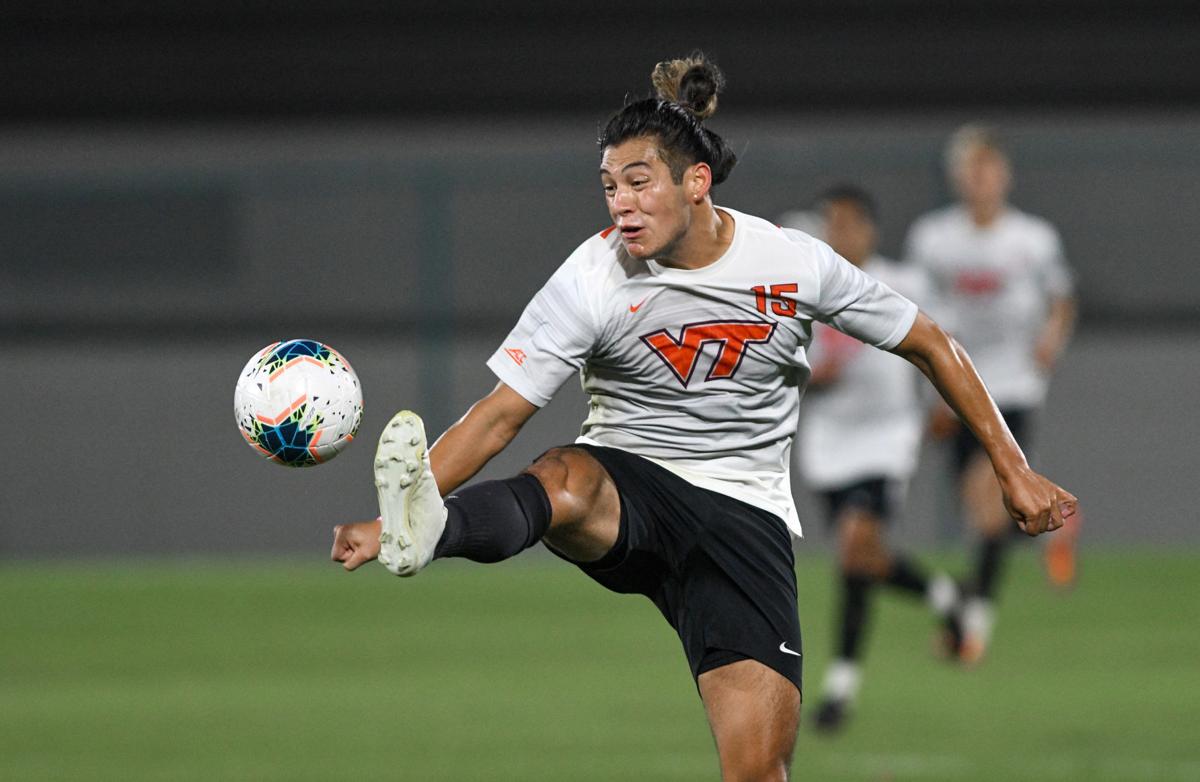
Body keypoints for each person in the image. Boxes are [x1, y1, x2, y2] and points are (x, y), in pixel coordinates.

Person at [331, 58, 1078, 781]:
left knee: (757, 768)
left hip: (743, 516)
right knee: (564, 477)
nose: (619, 203)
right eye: (607, 186)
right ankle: (433, 528)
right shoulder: (594, 277)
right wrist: (396, 512)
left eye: (637, 181)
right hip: (633, 485)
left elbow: (930, 341)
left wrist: (1013, 467)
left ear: (696, 183)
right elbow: (499, 416)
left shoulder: (790, 262)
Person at [904, 125, 1079, 665]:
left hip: (1012, 385)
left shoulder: (1032, 238)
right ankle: (1055, 533)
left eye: (988, 169)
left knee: (988, 508)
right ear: (958, 177)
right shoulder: (932, 238)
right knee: (983, 511)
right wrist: (928, 395)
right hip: (957, 386)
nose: (979, 179)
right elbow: (915, 319)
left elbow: (1062, 299)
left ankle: (972, 629)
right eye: (970, 169)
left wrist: (1050, 342)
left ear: (1003, 175)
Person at [796, 185, 959, 732]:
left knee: (854, 546)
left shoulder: (904, 283)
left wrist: (942, 403)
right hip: (829, 445)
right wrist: (813, 380)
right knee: (858, 559)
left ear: (869, 230)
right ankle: (944, 595)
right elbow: (786, 366)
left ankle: (839, 690)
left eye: (848, 223)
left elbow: (944, 346)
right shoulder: (809, 289)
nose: (839, 234)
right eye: (831, 224)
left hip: (888, 437)